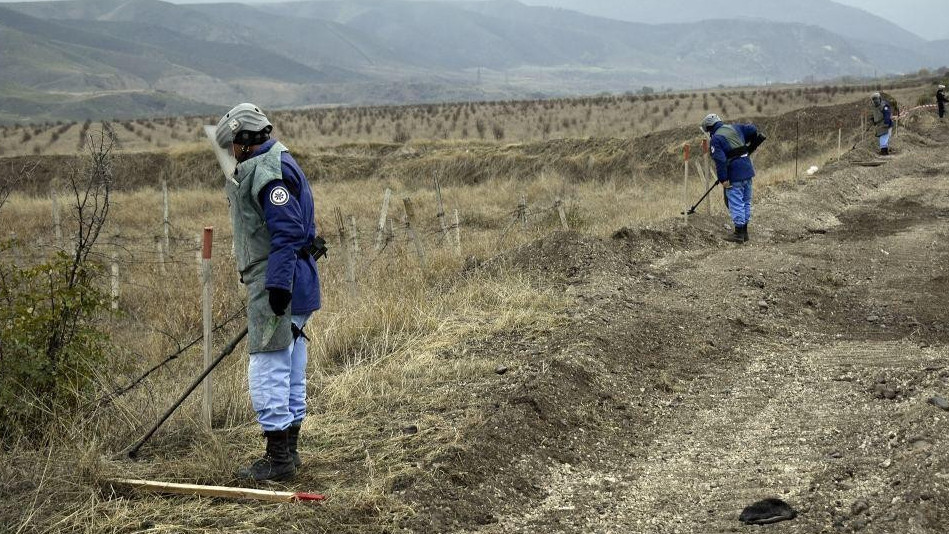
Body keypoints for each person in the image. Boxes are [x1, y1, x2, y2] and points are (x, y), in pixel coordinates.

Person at [214, 103, 324, 482]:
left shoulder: (267, 172)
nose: (231, 151)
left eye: (233, 144)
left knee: (268, 367)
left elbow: (288, 230)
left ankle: (278, 461)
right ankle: (289, 454)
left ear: (244, 140)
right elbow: (298, 225)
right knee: (291, 365)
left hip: (279, 281)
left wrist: (277, 285)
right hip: (295, 278)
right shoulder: (281, 159)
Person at [701, 113, 766, 243]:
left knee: (736, 203)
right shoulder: (735, 128)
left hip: (734, 174)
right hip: (747, 171)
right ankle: (745, 233)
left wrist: (723, 179)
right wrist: (750, 143)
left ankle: (738, 234)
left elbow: (720, 160)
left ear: (709, 128)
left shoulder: (716, 139)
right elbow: (753, 129)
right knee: (746, 201)